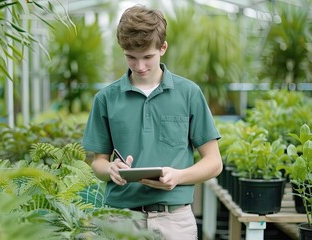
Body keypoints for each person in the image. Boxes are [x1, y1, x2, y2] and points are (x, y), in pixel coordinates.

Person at [82, 4, 223, 240]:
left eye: (148, 57)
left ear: (163, 48)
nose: (140, 66)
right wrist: (110, 170)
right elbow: (98, 162)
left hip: (175, 221)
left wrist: (178, 176)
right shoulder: (106, 99)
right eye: (131, 58)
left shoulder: (189, 93)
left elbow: (214, 162)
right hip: (120, 220)